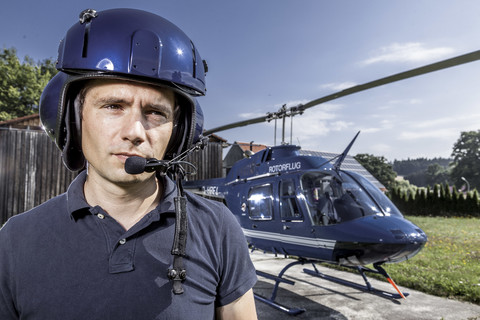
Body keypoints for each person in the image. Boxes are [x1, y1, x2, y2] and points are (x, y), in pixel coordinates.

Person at [0, 8, 258, 319]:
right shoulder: (14, 240)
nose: (135, 132)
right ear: (73, 119)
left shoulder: (218, 228)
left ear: (180, 134)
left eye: (155, 113)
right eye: (113, 106)